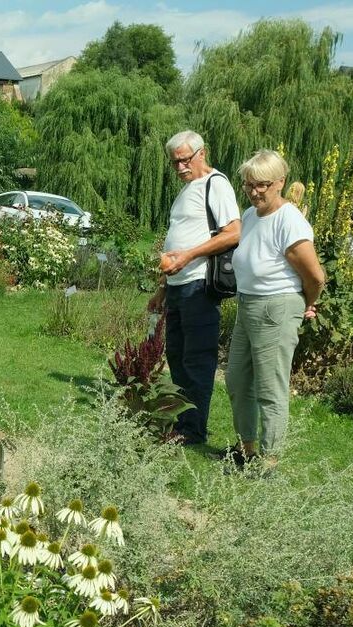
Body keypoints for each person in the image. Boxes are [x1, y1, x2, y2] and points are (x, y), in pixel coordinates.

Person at [223, 149, 326, 469]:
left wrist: (308, 303)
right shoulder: (251, 216)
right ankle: (247, 449)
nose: (254, 191)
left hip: (277, 307)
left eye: (262, 185)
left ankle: (269, 461)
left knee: (270, 387)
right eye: (248, 185)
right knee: (237, 380)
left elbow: (315, 275)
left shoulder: (289, 219)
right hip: (248, 305)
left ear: (280, 182)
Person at [147, 130, 241, 447]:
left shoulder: (217, 184)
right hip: (177, 286)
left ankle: (194, 430)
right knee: (176, 356)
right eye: (174, 163)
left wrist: (187, 256)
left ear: (201, 153)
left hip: (199, 285)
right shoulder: (187, 190)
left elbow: (233, 233)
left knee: (197, 360)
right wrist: (162, 287)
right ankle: (182, 421)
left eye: (184, 160)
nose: (179, 168)